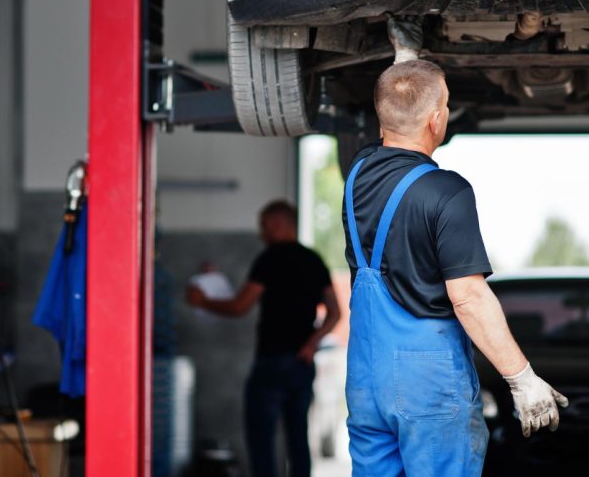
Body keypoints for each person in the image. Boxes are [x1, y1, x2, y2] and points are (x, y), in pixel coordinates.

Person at [343, 59, 568, 476]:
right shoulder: (447, 191)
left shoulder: (357, 175)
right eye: (444, 105)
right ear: (436, 120)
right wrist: (521, 377)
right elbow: (467, 295)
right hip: (426, 382)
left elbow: (396, 104)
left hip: (366, 375)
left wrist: (402, 72)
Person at [187, 200, 340, 477]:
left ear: (278, 224)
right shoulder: (314, 260)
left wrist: (202, 300)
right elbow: (335, 312)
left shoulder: (269, 259)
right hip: (302, 364)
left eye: (264, 226)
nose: (261, 233)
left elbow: (239, 306)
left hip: (271, 363)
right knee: (298, 438)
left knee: (261, 439)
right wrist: (311, 344)